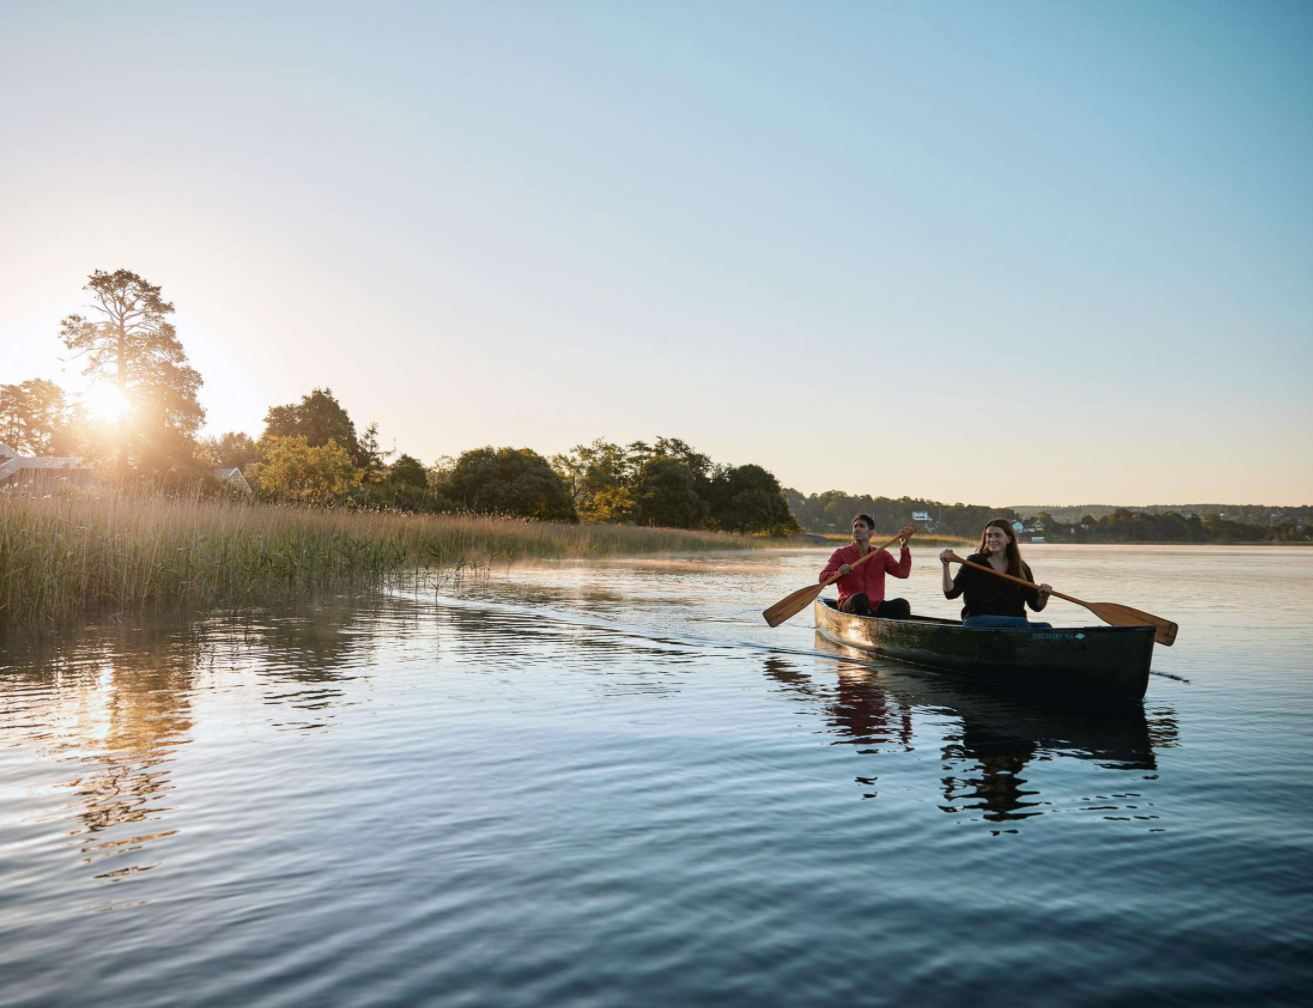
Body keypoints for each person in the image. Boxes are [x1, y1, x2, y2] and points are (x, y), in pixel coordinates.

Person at [939, 519, 1053, 628]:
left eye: (997, 535)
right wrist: (945, 566)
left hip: (1014, 623)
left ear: (1008, 539)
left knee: (1046, 628)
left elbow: (1036, 606)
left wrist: (1044, 596)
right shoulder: (974, 562)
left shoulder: (1022, 567)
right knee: (1020, 623)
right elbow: (951, 593)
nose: (992, 539)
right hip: (976, 621)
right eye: (989, 535)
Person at [820, 514, 913, 618]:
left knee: (902, 604)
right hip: (849, 605)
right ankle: (863, 629)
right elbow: (823, 578)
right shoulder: (841, 554)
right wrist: (838, 573)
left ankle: (902, 632)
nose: (857, 529)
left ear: (870, 533)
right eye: (855, 526)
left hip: (875, 607)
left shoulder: (882, 554)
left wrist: (904, 548)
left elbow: (903, 573)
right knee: (860, 598)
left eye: (861, 526)